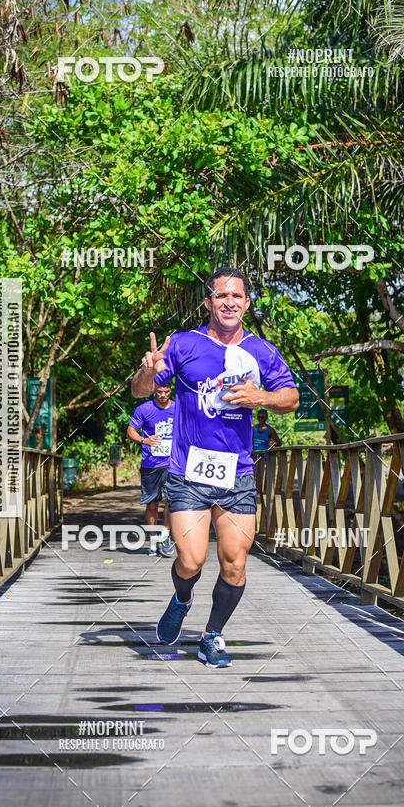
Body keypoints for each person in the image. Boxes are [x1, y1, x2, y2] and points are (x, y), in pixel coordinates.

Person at [131, 267, 299, 667]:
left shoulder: (262, 351)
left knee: (235, 564)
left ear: (246, 303)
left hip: (237, 474)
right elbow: (139, 390)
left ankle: (212, 635)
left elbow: (291, 398)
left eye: (237, 296)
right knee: (190, 560)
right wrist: (148, 370)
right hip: (190, 471)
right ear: (208, 303)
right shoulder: (184, 344)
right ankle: (182, 598)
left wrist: (260, 397)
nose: (229, 302)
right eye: (221, 296)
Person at [126, 381, 176, 557]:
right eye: (159, 392)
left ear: (170, 391)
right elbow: (130, 430)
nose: (163, 395)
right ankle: (153, 541)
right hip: (151, 464)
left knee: (172, 501)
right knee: (152, 504)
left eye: (166, 392)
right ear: (154, 390)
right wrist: (144, 440)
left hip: (172, 464)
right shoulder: (144, 409)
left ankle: (166, 536)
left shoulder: (178, 409)